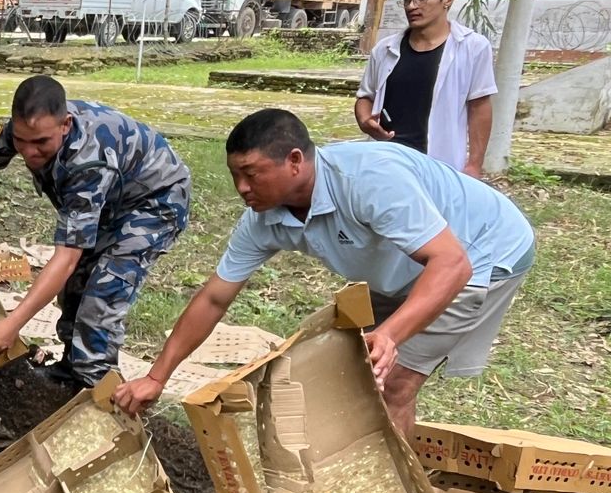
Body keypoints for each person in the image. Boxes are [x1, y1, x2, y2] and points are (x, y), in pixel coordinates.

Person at [114, 109, 535, 435]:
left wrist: (390, 335)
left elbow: (451, 263)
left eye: (251, 174)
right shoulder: (262, 218)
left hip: (482, 250)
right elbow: (214, 297)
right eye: (234, 176)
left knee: (395, 384)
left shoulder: (368, 181)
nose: (241, 188)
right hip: (408, 262)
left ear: (295, 161)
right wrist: (156, 376)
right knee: (345, 367)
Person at [0, 75, 191, 388]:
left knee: (102, 296)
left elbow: (66, 258)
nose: (29, 152)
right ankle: (71, 369)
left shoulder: (87, 164)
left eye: (41, 142)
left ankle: (95, 390)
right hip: (111, 199)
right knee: (73, 289)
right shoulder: (27, 127)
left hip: (154, 202)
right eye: (21, 142)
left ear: (66, 125)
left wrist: (13, 323)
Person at [356, 0, 496, 177]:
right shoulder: (385, 49)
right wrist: (365, 121)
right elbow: (365, 96)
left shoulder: (472, 47)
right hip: (387, 161)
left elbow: (479, 106)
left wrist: (474, 165)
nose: (412, 6)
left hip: (439, 164)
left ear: (448, 0)